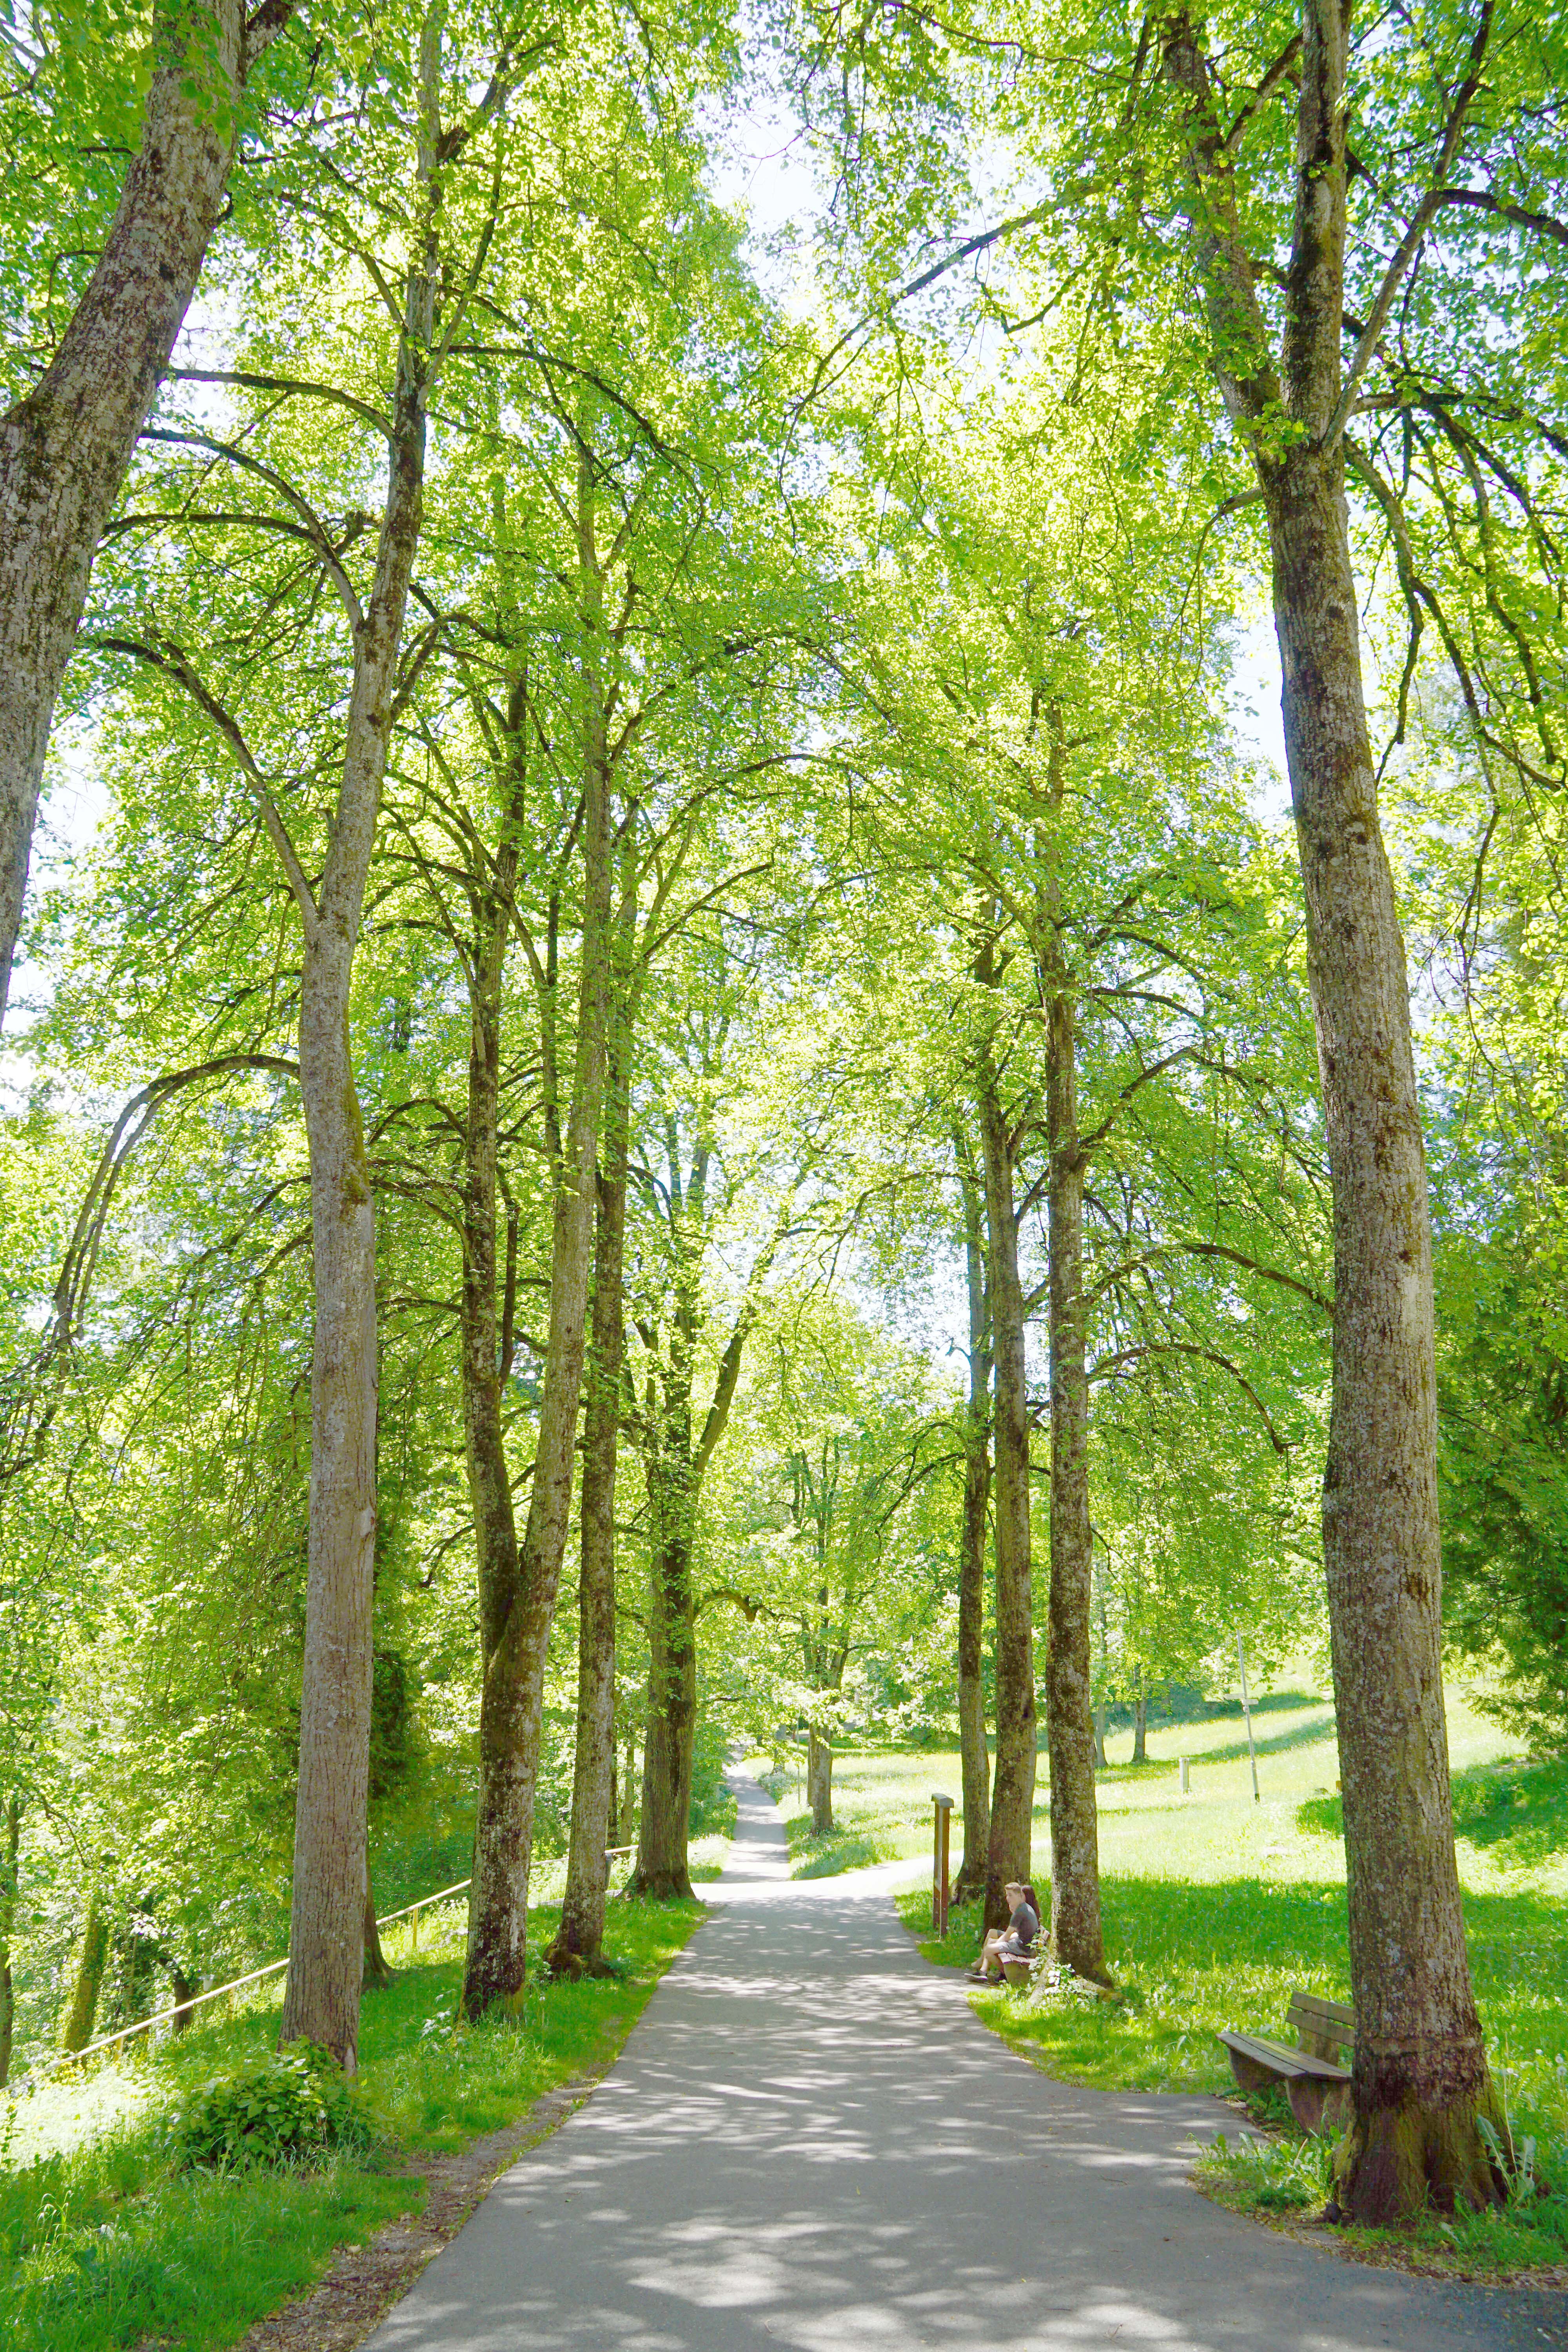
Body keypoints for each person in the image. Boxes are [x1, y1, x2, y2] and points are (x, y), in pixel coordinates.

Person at [967, 1882, 1041, 1981]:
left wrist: (994, 1948)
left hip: (1023, 1948)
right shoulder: (1024, 1908)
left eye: (1011, 1895)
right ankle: (983, 1972)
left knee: (989, 1950)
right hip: (1024, 1944)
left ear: (1020, 1895)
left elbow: (1007, 1936)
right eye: (1007, 1895)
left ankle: (1007, 1974)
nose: (1008, 1898)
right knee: (990, 1943)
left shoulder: (1020, 1912)